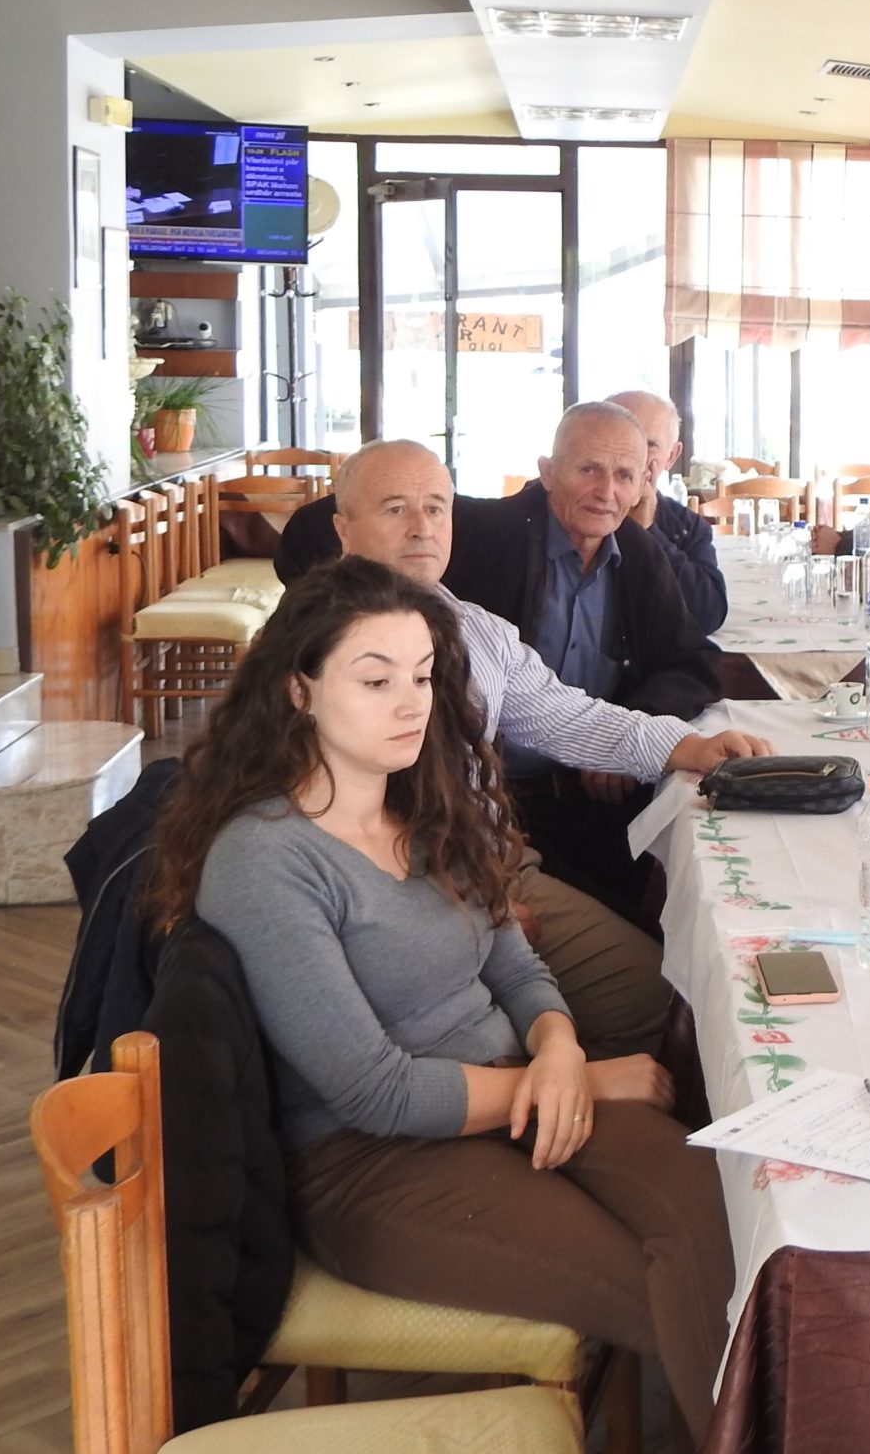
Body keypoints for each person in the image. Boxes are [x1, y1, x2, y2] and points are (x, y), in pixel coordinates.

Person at [149, 556, 736, 1439]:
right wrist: (578, 1083)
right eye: (376, 679)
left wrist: (560, 1048)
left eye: (423, 676)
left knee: (721, 1227)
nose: (412, 702)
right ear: (299, 690)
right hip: (374, 1163)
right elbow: (374, 1090)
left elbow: (513, 960)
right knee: (676, 1289)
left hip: (517, 1090)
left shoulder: (424, 800)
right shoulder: (264, 858)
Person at [328, 440, 766, 1055]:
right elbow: (334, 831)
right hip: (402, 893)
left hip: (489, 860)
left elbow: (568, 716)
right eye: (395, 509)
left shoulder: (476, 629)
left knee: (669, 994)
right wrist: (473, 913)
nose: (422, 528)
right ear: (344, 529)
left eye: (436, 507)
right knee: (652, 1012)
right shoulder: (316, 650)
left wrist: (687, 745)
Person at [450, 402, 727, 917]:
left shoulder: (637, 551)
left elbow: (693, 663)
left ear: (645, 480)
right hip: (488, 805)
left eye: (625, 475)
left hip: (594, 807)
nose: (607, 492)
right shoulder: (485, 530)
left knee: (666, 925)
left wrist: (637, 721)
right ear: (548, 472)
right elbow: (310, 535)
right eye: (589, 470)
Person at [608, 390, 727, 635]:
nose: (631, 456)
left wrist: (647, 532)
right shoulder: (561, 509)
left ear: (671, 456)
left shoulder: (686, 527)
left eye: (648, 445)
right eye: (617, 439)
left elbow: (707, 614)